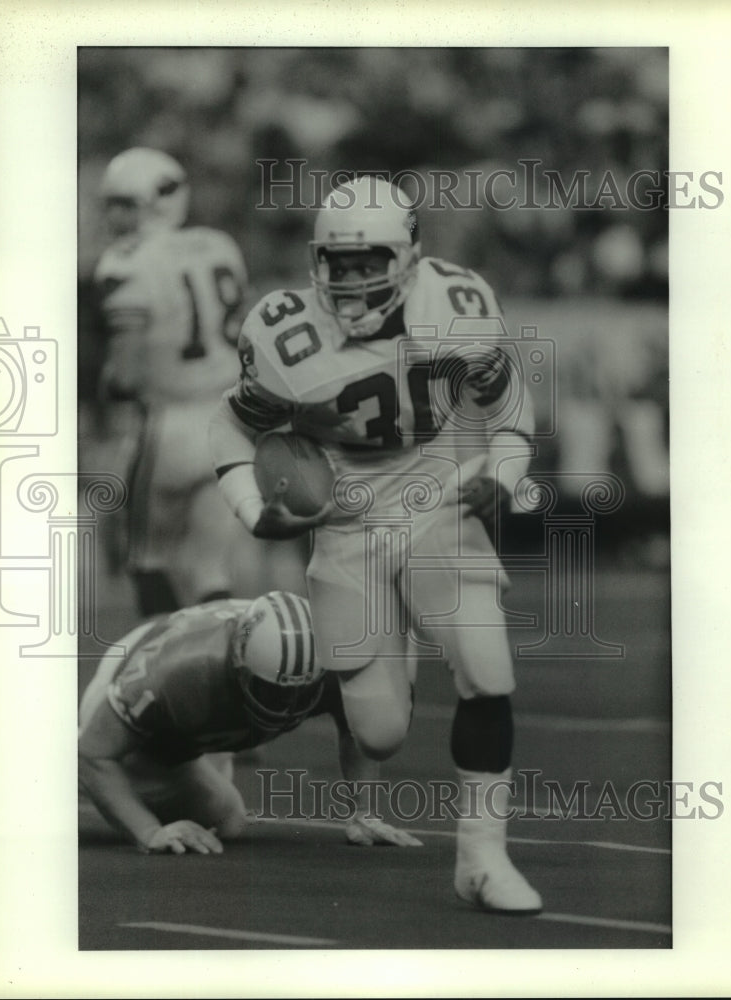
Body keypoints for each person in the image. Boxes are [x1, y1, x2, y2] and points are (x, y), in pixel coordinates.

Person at [209, 175, 543, 913]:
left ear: (411, 255)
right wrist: (250, 508)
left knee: (487, 669)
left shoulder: (456, 305)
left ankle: (482, 858)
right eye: (339, 261)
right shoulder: (283, 334)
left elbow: (508, 400)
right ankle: (390, 643)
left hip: (436, 493)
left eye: (370, 260)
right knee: (381, 733)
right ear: (315, 261)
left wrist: (505, 471)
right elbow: (231, 424)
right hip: (345, 518)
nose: (353, 278)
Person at [91, 146, 307, 615]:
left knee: (146, 559)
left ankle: (165, 676)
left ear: (155, 201)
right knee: (213, 573)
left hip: (166, 426)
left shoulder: (124, 262)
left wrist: (108, 384)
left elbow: (125, 372)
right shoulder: (218, 245)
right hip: (230, 426)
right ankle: (221, 674)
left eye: (125, 203)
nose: (114, 215)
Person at [78, 591, 422, 854]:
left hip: (203, 724)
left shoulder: (331, 662)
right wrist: (150, 832)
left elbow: (355, 722)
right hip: (133, 686)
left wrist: (364, 812)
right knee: (222, 816)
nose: (287, 705)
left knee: (223, 819)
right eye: (273, 692)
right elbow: (93, 752)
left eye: (301, 691)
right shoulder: (180, 672)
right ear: (239, 664)